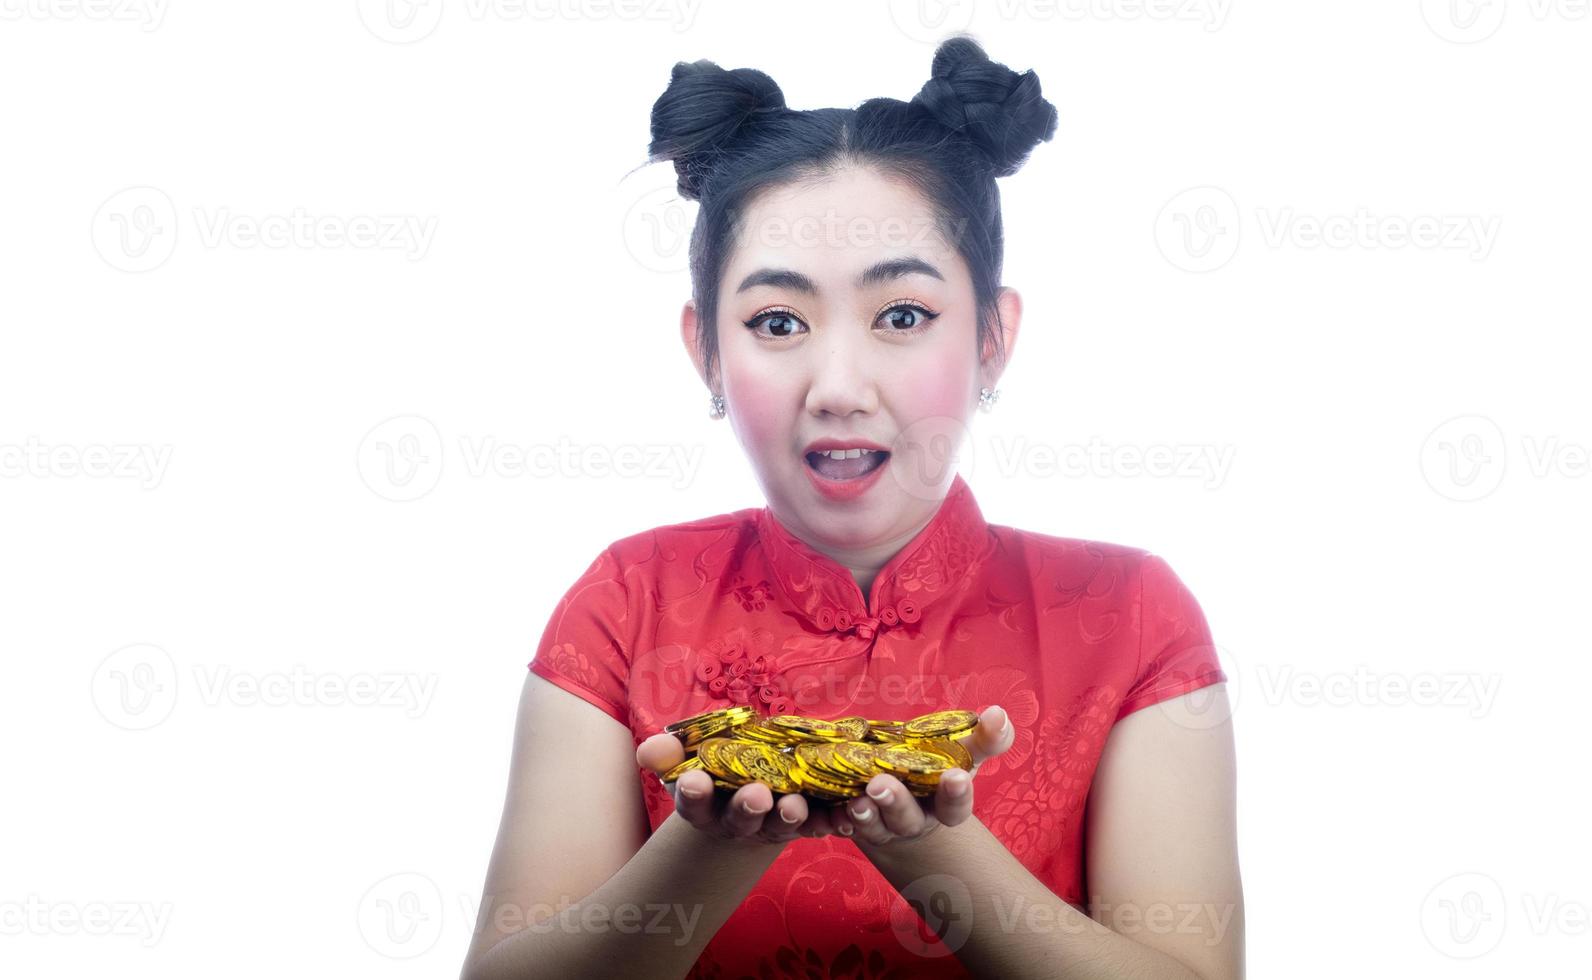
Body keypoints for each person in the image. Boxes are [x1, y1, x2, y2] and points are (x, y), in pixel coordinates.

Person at [461, 35, 1244, 980]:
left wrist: (927, 846)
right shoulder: (627, 599)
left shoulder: (1131, 612)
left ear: (993, 338)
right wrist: (711, 841)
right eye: (777, 323)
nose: (837, 386)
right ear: (705, 350)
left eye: (902, 316)